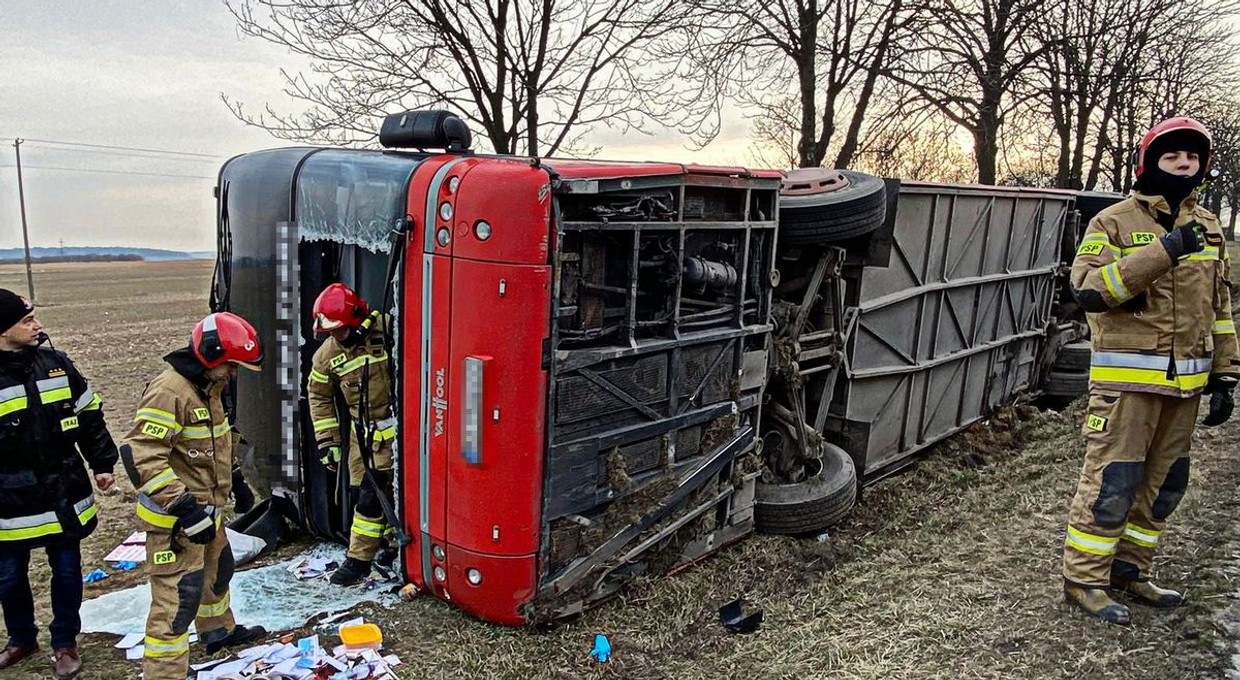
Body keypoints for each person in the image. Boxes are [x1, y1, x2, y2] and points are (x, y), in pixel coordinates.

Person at [1063, 116, 1238, 625]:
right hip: (1126, 387)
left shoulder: (1208, 226)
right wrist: (1164, 252)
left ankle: (1130, 571)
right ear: (1150, 163)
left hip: (1185, 387)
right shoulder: (1113, 223)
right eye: (1172, 157)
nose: (1183, 165)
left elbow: (1219, 304)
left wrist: (1226, 373)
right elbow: (1090, 291)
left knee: (1163, 483)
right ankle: (1085, 580)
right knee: (1113, 480)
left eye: (1192, 158)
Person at [122, 312, 268, 679]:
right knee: (179, 598)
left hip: (208, 508)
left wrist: (233, 480)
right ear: (211, 354)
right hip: (176, 519)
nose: (232, 375)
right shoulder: (170, 391)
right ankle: (164, 673)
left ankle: (218, 632)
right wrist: (184, 508)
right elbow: (143, 454)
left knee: (217, 573)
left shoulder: (208, 387)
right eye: (230, 367)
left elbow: (213, 443)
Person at [0, 290, 118, 679]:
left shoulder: (56, 365)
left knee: (67, 571)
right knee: (9, 576)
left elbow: (89, 414)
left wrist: (103, 463)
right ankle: (21, 639)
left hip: (63, 491)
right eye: (26, 321)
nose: (37, 326)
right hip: (9, 501)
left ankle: (65, 642)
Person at [306, 283, 397, 586]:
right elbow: (317, 395)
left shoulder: (388, 329)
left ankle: (358, 561)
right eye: (330, 332)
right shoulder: (326, 356)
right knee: (362, 494)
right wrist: (328, 441)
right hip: (363, 438)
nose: (336, 337)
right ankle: (389, 547)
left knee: (375, 498)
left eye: (341, 330)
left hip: (398, 429)